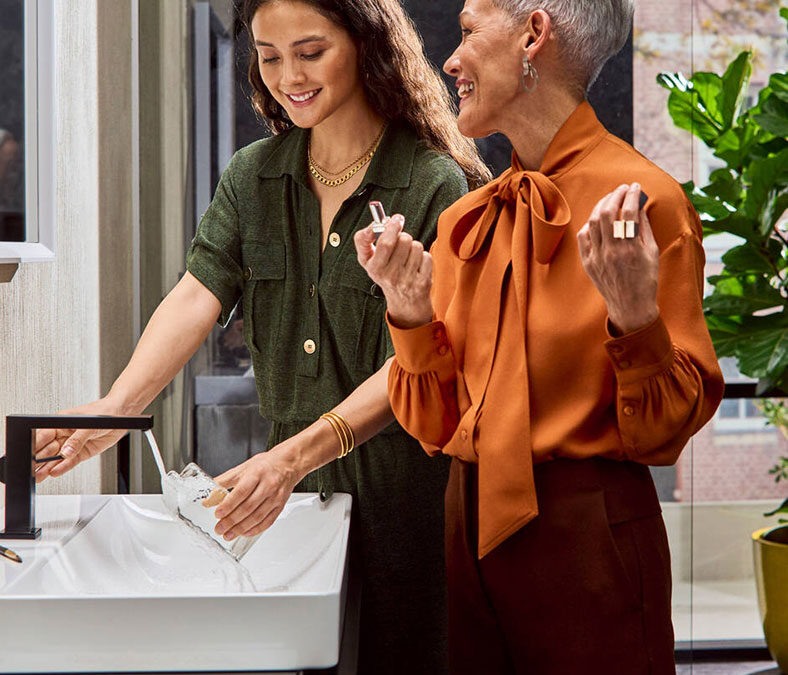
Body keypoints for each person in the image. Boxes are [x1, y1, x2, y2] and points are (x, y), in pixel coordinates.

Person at [34, 1, 490, 673]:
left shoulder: (429, 181)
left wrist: (290, 459)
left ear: (363, 46)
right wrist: (116, 410)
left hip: (405, 508)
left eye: (310, 52)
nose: (287, 76)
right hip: (290, 503)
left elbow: (414, 365)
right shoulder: (252, 177)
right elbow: (196, 292)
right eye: (269, 55)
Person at [355, 1, 724, 673]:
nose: (451, 59)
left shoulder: (645, 203)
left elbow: (664, 437)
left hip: (591, 551)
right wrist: (408, 315)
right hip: (465, 544)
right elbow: (435, 427)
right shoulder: (467, 221)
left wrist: (636, 318)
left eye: (468, 31)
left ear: (533, 35)